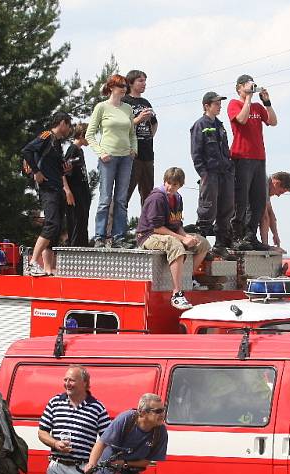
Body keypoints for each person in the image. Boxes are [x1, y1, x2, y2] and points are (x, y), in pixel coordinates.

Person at [136, 167, 211, 311]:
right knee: (176, 244)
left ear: (180, 186)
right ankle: (177, 293)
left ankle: (188, 278)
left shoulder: (178, 198)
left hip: (167, 233)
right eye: (168, 183)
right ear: (164, 181)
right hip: (147, 236)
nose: (170, 187)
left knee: (203, 243)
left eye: (174, 184)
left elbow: (177, 225)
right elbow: (157, 228)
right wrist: (181, 239)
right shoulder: (157, 198)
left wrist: (187, 236)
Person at [86, 74, 137, 249]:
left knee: (121, 199)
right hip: (108, 158)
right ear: (111, 87)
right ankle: (100, 236)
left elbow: (132, 134)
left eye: (125, 86)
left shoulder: (128, 108)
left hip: (126, 158)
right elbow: (89, 135)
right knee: (105, 198)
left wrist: (133, 149)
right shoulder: (101, 107)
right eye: (121, 85)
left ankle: (119, 237)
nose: (124, 88)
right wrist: (101, 152)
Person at [227, 74, 277, 251]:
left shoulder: (257, 106)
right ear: (240, 87)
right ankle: (236, 235)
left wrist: (267, 102)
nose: (251, 87)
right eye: (247, 85)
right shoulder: (235, 104)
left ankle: (250, 236)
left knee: (258, 200)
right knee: (241, 199)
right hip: (242, 156)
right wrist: (247, 97)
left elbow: (273, 121)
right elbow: (241, 119)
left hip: (259, 157)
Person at [22, 111, 73, 276]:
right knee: (51, 224)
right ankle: (32, 262)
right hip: (48, 189)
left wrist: (65, 167)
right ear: (62, 123)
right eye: (69, 125)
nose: (70, 129)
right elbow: (27, 151)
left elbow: (56, 166)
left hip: (58, 189)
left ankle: (48, 268)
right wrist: (36, 172)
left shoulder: (58, 144)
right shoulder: (46, 136)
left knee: (56, 228)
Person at [87, 393, 168, 474]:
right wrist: (91, 464)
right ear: (142, 413)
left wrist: (125, 463)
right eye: (158, 411)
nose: (162, 414)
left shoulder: (160, 432)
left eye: (163, 409)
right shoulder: (126, 419)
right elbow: (101, 443)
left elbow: (146, 462)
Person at [190, 91, 236, 257]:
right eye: (216, 103)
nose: (219, 106)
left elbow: (226, 149)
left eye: (219, 103)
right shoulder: (200, 125)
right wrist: (203, 173)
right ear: (206, 106)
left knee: (226, 208)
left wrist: (230, 169)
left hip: (225, 173)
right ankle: (201, 246)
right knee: (207, 208)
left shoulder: (220, 125)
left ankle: (220, 244)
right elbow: (196, 152)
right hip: (210, 173)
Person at [123, 70, 158, 206]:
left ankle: (146, 227)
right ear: (131, 83)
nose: (144, 84)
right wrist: (138, 119)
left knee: (148, 196)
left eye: (145, 81)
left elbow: (154, 123)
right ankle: (113, 227)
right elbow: (121, 126)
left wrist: (150, 136)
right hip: (131, 154)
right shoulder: (124, 102)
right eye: (140, 81)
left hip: (148, 154)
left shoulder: (146, 102)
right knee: (124, 193)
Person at [64, 123, 92, 247]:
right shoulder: (72, 149)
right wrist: (67, 191)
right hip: (75, 191)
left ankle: (83, 244)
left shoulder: (80, 151)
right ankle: (74, 245)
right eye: (89, 136)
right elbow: (64, 170)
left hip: (83, 191)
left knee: (83, 219)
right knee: (76, 219)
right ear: (81, 135)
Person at [259, 171, 290, 253]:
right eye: (280, 192)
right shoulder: (263, 185)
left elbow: (271, 213)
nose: (278, 195)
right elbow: (265, 217)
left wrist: (275, 234)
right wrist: (266, 247)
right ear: (277, 183)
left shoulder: (266, 184)